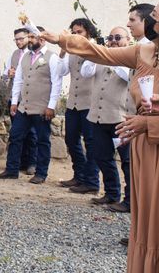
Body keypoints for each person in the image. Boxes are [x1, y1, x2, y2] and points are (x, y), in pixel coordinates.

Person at [41, 0, 159, 272]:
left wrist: (149, 124)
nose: (152, 20)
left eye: (157, 16)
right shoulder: (142, 52)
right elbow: (99, 52)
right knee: (145, 221)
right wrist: (62, 39)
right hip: (143, 147)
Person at [0, 27, 62, 184]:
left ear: (42, 39)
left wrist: (51, 106)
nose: (29, 40)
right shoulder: (25, 56)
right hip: (23, 107)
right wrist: (14, 102)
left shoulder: (51, 58)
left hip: (42, 107)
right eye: (29, 37)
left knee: (42, 140)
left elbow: (56, 83)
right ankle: (11, 170)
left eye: (33, 37)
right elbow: (18, 80)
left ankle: (41, 173)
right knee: (15, 136)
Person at [80, 27, 131, 212]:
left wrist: (114, 57)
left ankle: (130, 200)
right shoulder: (102, 57)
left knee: (127, 162)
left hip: (119, 118)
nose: (114, 40)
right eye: (111, 37)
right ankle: (111, 193)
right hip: (99, 117)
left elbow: (127, 76)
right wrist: (96, 52)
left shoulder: (130, 60)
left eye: (118, 37)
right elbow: (86, 72)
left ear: (128, 40)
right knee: (102, 157)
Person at [59, 18, 99, 194]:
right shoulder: (71, 51)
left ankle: (91, 182)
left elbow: (88, 71)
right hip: (73, 103)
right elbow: (61, 72)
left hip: (89, 103)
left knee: (91, 143)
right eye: (73, 32)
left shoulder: (94, 49)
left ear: (88, 33)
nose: (76, 35)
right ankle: (79, 175)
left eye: (79, 32)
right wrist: (62, 51)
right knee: (71, 139)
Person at [7, 28, 38, 175]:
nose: (19, 41)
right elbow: (8, 72)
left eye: (21, 38)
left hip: (29, 99)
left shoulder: (33, 54)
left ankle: (31, 163)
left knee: (31, 134)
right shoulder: (14, 54)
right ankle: (20, 162)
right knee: (17, 134)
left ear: (28, 38)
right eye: (16, 39)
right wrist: (9, 73)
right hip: (15, 98)